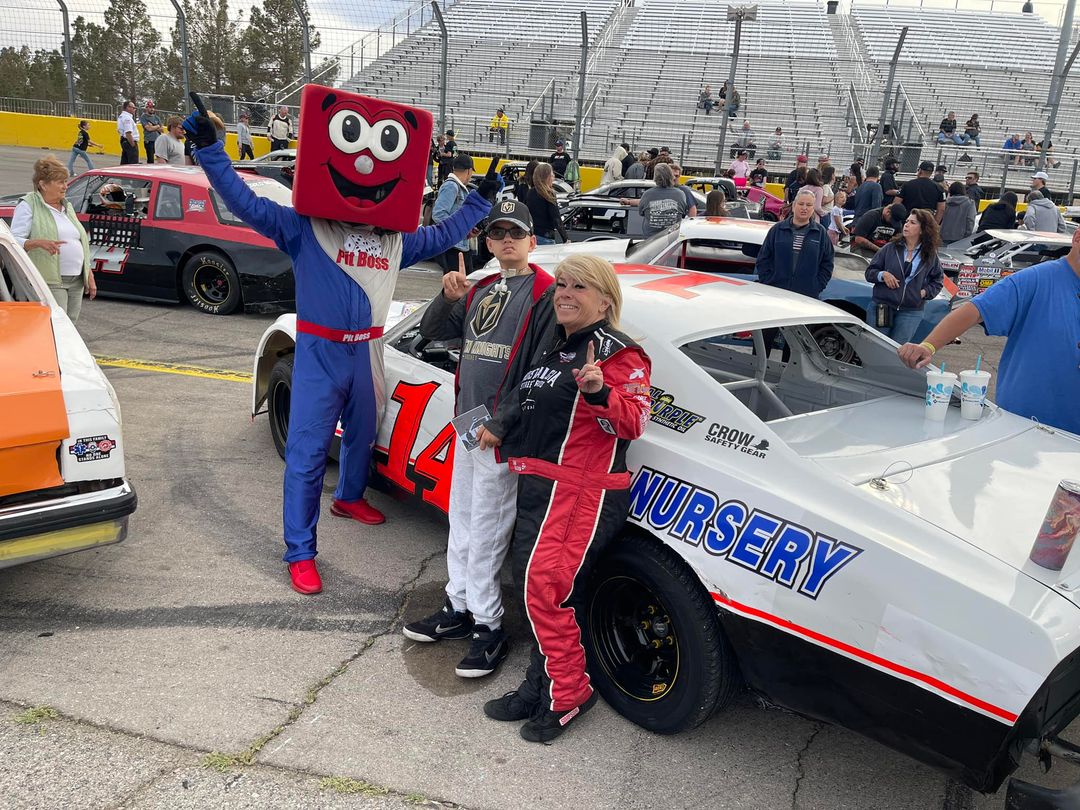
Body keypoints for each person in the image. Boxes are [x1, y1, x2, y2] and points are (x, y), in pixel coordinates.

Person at [185, 87, 501, 595]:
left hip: (369, 349)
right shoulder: (303, 225)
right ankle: (300, 550)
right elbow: (243, 202)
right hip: (319, 348)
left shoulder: (395, 238)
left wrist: (481, 201)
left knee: (363, 429)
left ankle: (349, 496)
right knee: (308, 453)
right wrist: (210, 152)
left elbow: (443, 235)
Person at [480, 254, 651, 742]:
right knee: (534, 587)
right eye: (560, 284)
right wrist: (499, 427)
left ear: (604, 299)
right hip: (541, 483)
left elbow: (635, 421)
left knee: (542, 588)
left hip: (581, 489)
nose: (565, 293)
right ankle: (540, 685)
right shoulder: (557, 344)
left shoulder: (620, 352)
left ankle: (571, 692)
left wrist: (600, 393)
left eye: (578, 286)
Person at [403, 200, 556, 678]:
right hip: (469, 417)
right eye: (498, 233)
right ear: (487, 242)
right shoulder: (481, 286)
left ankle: (489, 625)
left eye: (517, 232)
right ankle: (458, 605)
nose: (507, 240)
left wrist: (504, 423)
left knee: (489, 528)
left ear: (533, 241)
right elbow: (432, 333)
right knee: (463, 517)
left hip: (500, 430)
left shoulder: (546, 292)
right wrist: (447, 296)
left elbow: (541, 368)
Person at [897, 226, 1080, 435]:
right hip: (1026, 425)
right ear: (1077, 238)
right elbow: (975, 310)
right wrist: (928, 346)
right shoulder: (1037, 279)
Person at [10, 156, 95, 323]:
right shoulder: (28, 205)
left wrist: (88, 273)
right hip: (50, 281)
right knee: (56, 326)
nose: (65, 186)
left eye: (65, 181)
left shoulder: (67, 206)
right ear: (43, 184)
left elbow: (80, 242)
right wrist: (36, 243)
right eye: (60, 182)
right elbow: (13, 242)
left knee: (71, 327)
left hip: (76, 280)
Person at [863, 209, 944, 345]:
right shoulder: (890, 248)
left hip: (911, 311)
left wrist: (923, 293)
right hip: (883, 306)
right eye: (906, 221)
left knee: (897, 351)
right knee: (877, 346)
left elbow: (938, 281)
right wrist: (883, 275)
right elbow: (870, 272)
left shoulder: (930, 254)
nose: (906, 225)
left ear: (923, 229)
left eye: (912, 223)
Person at [756, 188, 834, 299]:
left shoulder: (820, 233)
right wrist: (768, 281)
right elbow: (763, 259)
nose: (804, 208)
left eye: (809, 205)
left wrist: (816, 286)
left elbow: (827, 263)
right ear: (793, 206)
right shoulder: (778, 229)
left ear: (813, 209)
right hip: (775, 293)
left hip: (807, 296)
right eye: (801, 204)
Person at [433, 153, 477, 273]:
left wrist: (467, 230)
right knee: (456, 285)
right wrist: (457, 229)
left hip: (459, 244)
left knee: (462, 284)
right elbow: (438, 213)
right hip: (453, 246)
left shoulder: (456, 186)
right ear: (468, 171)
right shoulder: (452, 186)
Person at [636, 163, 688, 237]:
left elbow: (641, 212)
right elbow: (683, 214)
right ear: (671, 176)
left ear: (655, 177)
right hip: (672, 238)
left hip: (650, 239)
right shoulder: (681, 194)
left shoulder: (647, 194)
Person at [525, 162, 568, 245]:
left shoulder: (530, 192)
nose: (553, 177)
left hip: (533, 236)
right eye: (552, 175)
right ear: (546, 177)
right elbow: (556, 219)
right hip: (546, 237)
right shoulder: (548, 194)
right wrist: (565, 239)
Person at [117, 100, 139, 165]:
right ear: (128, 108)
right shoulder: (127, 118)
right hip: (129, 142)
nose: (134, 109)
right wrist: (133, 145)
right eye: (133, 108)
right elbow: (128, 133)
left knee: (124, 162)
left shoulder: (121, 116)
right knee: (133, 164)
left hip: (124, 141)